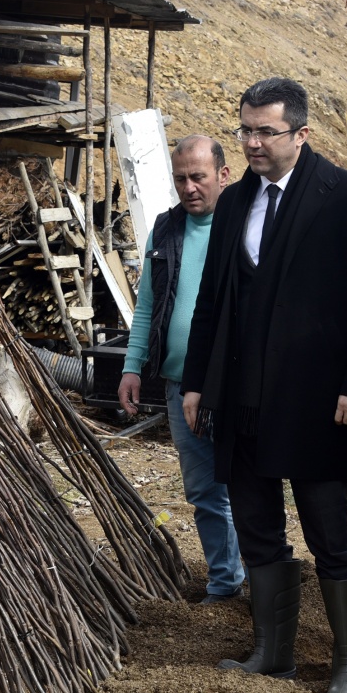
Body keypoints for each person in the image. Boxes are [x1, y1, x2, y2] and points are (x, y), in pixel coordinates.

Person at [181, 77, 347, 693]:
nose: (251, 142)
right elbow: (211, 301)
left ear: (302, 134)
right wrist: (197, 381)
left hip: (317, 398)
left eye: (265, 131)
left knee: (329, 530)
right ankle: (272, 652)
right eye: (245, 129)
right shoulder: (234, 200)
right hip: (239, 394)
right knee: (256, 523)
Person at [119, 136, 246, 605]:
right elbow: (148, 304)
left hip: (233, 382)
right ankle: (225, 581)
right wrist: (134, 367)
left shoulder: (244, 224)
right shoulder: (167, 229)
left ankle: (264, 571)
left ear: (223, 174)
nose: (190, 188)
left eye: (199, 177)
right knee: (203, 489)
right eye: (180, 179)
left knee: (246, 484)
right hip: (176, 382)